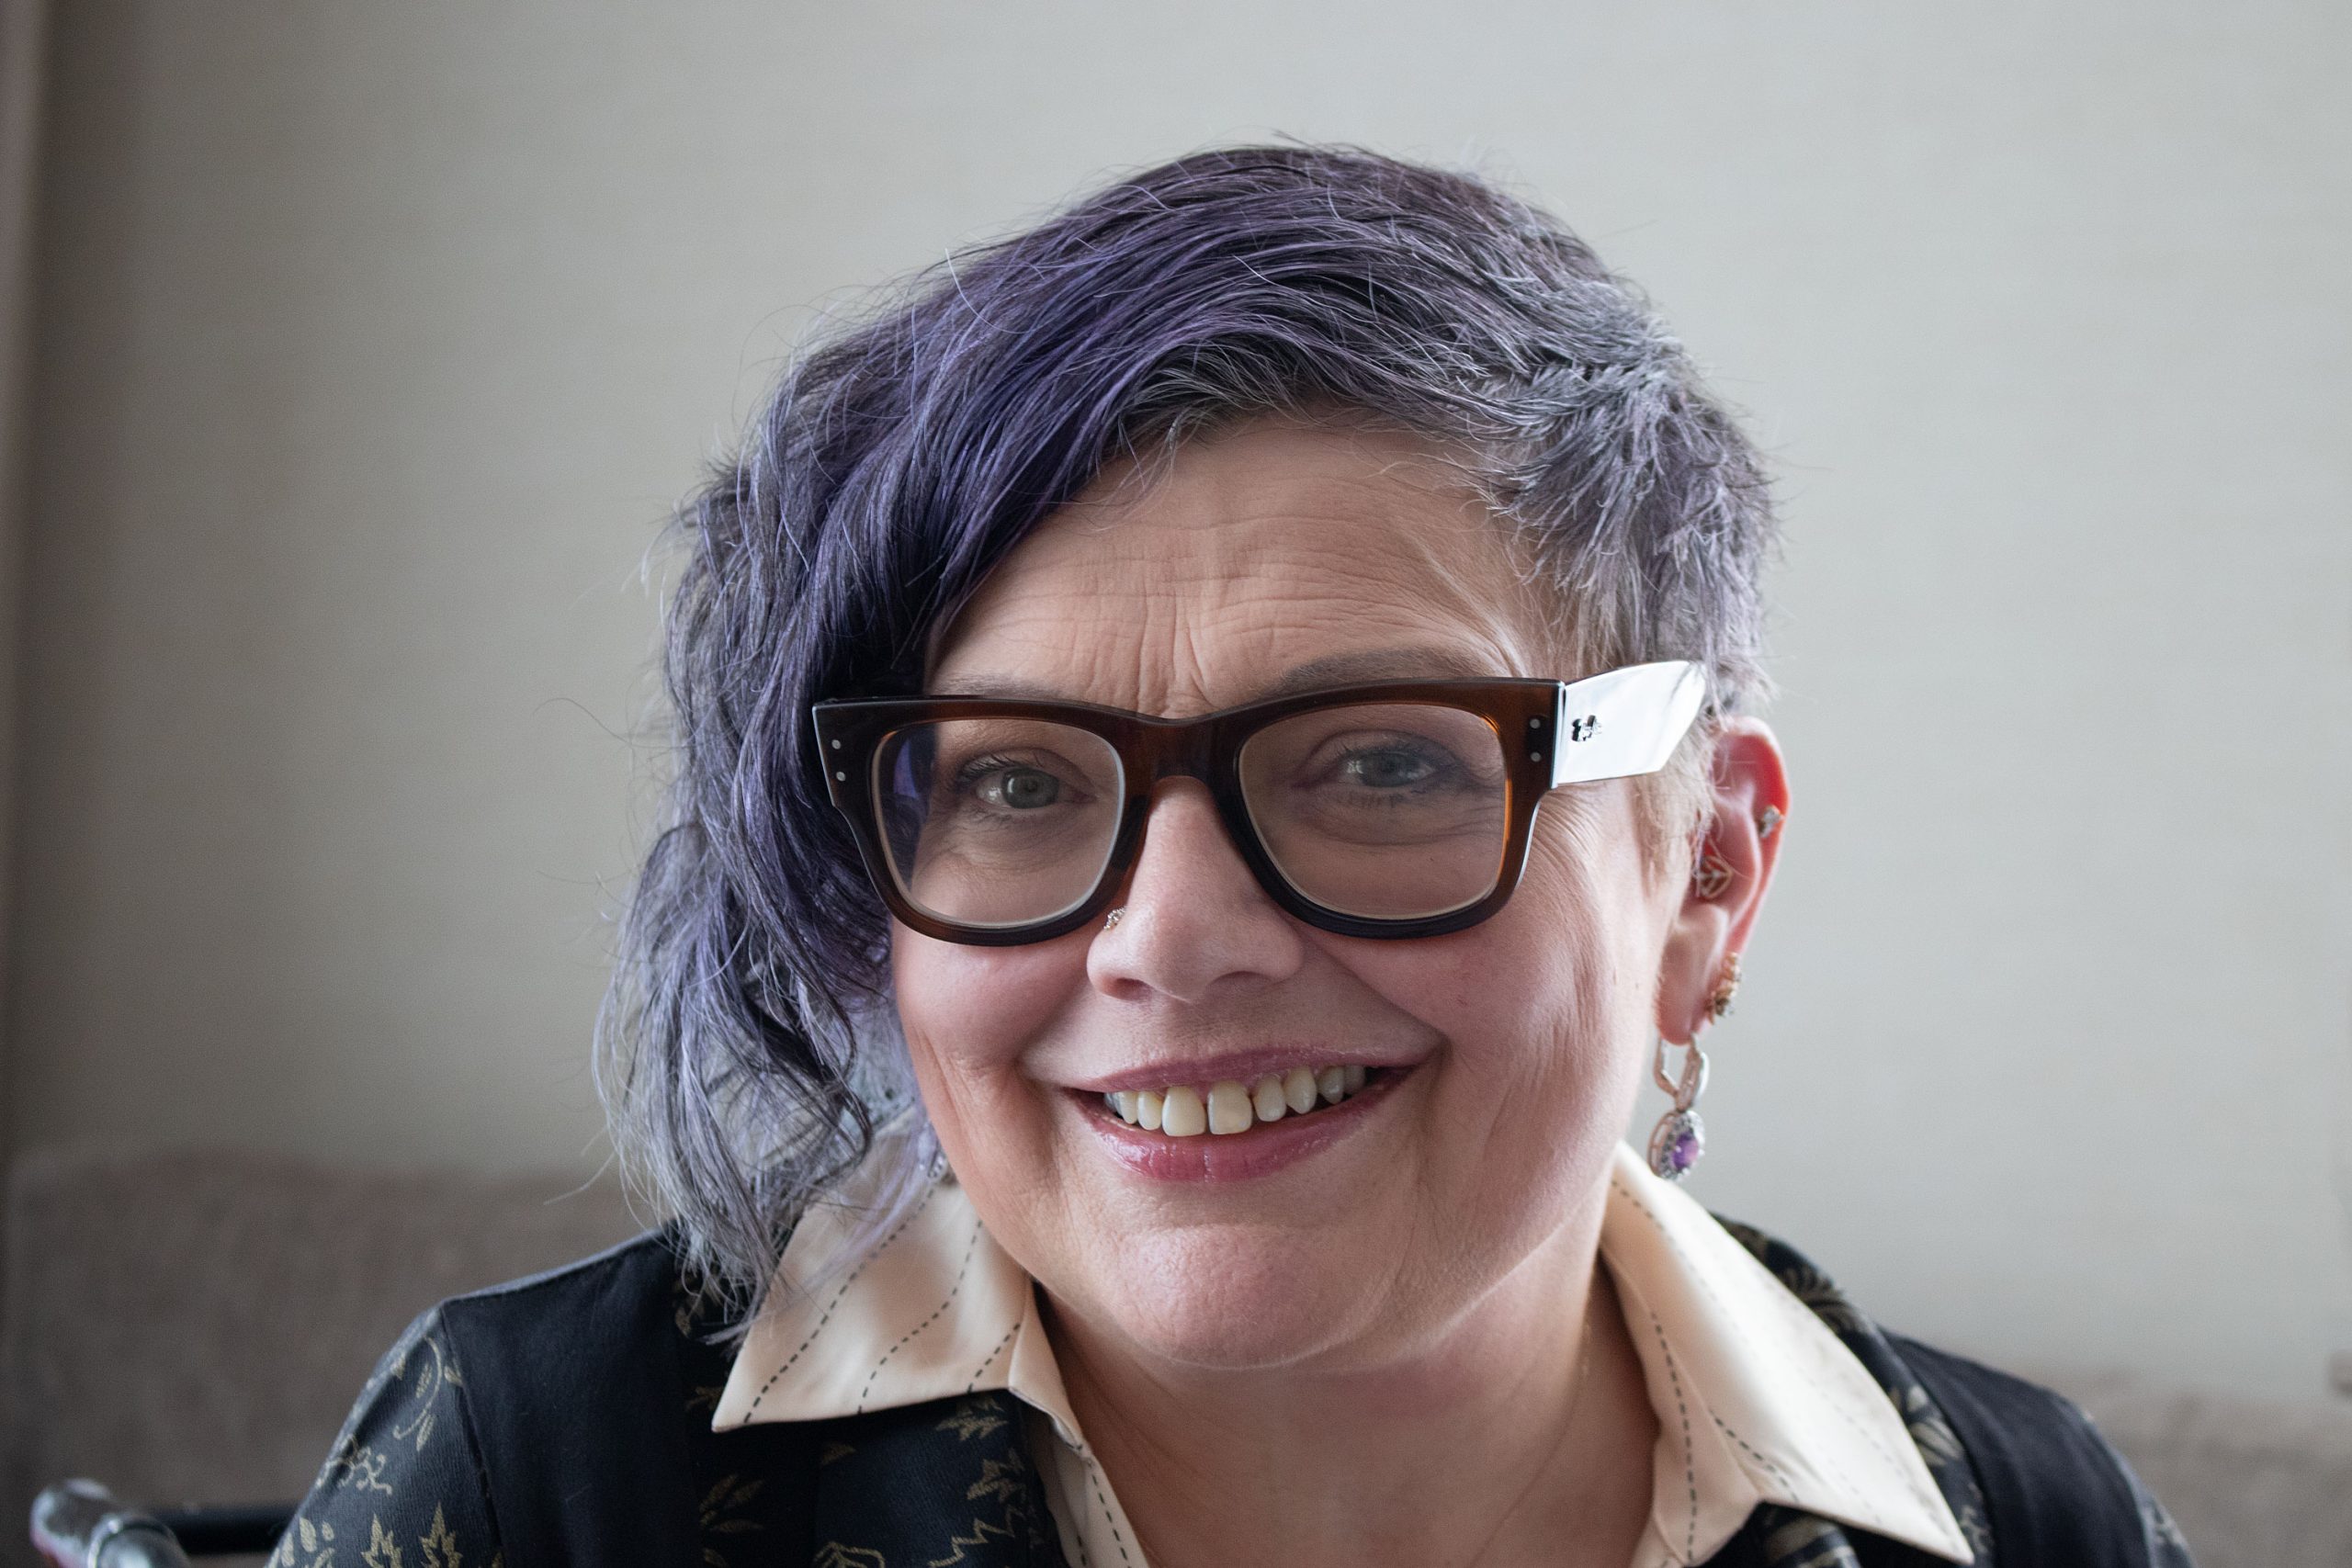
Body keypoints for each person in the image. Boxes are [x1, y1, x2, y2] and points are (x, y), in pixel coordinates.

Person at [273, 146, 2191, 1568]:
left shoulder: (2033, 1525)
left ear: (1704, 876)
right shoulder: (540, 1478)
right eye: (1017, 784)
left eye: (1381, 761)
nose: (1173, 937)